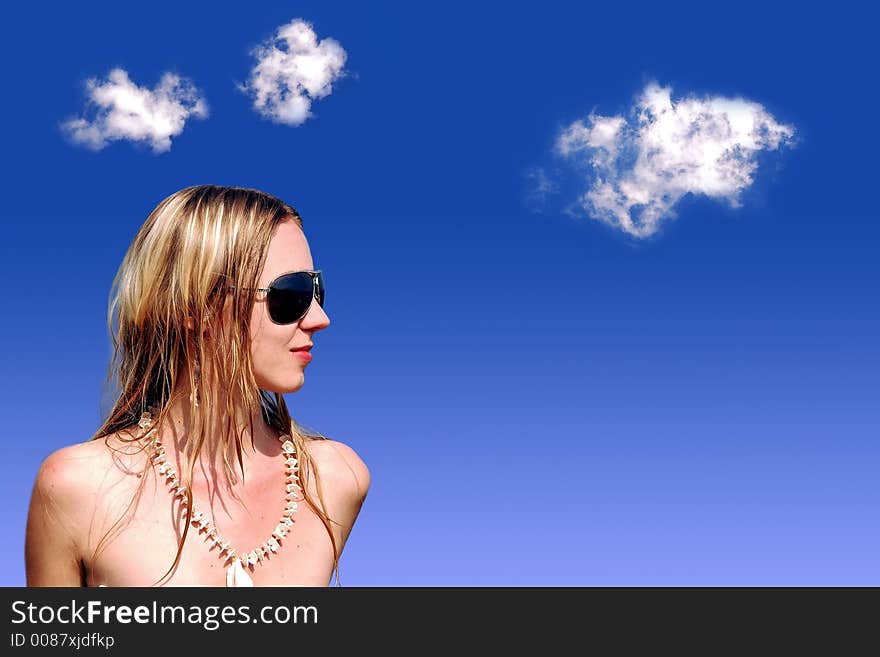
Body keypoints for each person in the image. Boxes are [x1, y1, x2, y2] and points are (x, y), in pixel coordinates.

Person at [24, 185, 370, 587]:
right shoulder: (78, 489)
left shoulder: (335, 479)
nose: (319, 318)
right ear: (196, 307)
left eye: (315, 290)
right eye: (289, 295)